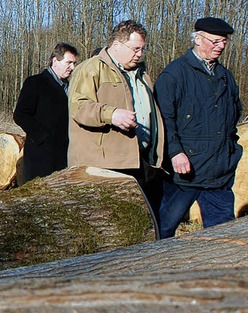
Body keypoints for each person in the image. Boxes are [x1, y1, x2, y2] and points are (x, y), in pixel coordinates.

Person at [154, 17, 242, 238]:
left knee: (224, 237)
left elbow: (233, 116)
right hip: (185, 172)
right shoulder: (174, 74)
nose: (220, 46)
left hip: (220, 173)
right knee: (163, 229)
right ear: (198, 39)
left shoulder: (225, 77)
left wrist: (233, 152)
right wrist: (175, 152)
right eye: (215, 41)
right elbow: (164, 119)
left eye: (224, 42)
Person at [68, 20, 165, 217]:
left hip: (140, 161)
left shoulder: (142, 75)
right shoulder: (91, 69)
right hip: (105, 165)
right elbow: (78, 106)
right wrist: (111, 114)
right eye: (135, 49)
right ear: (117, 45)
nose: (139, 54)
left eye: (142, 49)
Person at [13, 43, 78, 182]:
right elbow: (20, 114)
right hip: (41, 157)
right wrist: (43, 137)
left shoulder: (71, 87)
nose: (72, 67)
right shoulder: (36, 83)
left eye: (74, 63)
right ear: (55, 61)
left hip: (65, 155)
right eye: (69, 62)